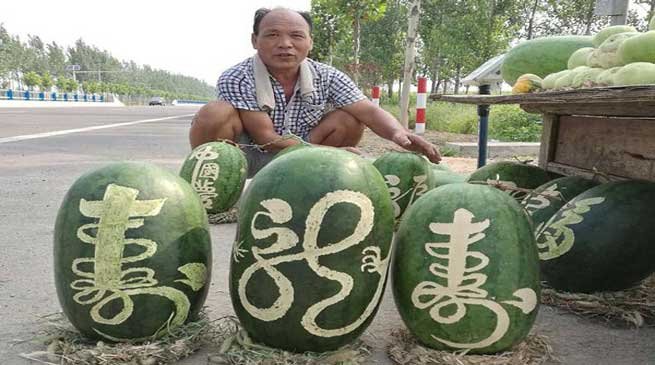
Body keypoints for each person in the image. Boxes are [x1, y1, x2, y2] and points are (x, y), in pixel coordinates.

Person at [189, 7, 441, 177]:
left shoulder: (327, 75)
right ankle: (216, 188)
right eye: (272, 35)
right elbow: (265, 136)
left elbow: (370, 112)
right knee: (215, 112)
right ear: (255, 40)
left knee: (351, 118)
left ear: (310, 42)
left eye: (296, 36)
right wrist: (330, 154)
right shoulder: (238, 76)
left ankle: (316, 182)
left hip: (308, 160)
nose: (285, 44)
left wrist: (400, 134)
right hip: (251, 157)